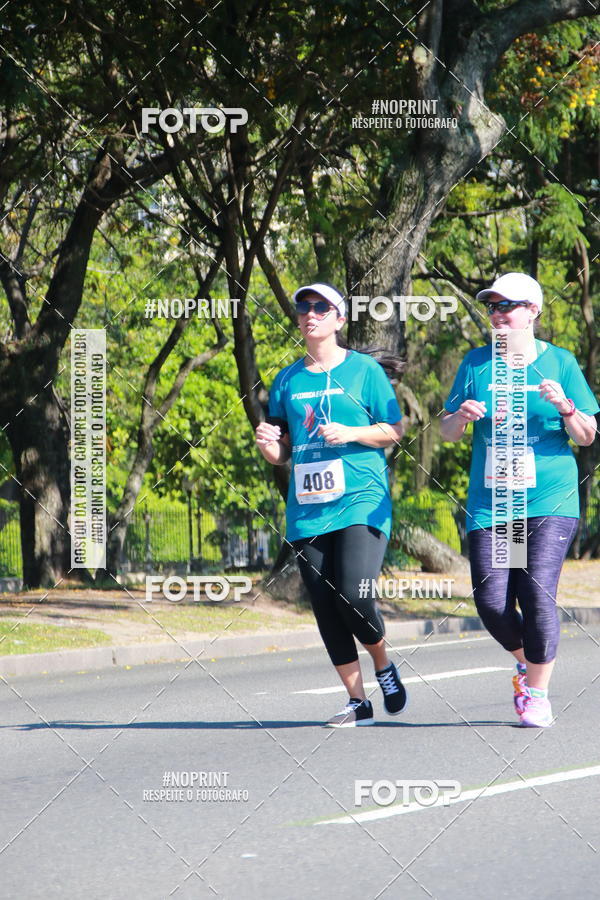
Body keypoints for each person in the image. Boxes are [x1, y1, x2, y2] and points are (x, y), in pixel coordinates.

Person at [441, 273, 598, 727]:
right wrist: (462, 417)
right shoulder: (475, 364)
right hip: (497, 504)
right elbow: (448, 431)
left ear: (533, 311)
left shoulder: (561, 363)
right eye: (491, 307)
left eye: (506, 306)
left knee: (536, 589)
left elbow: (587, 435)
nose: (497, 315)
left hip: (549, 497)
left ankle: (539, 694)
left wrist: (567, 408)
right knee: (492, 602)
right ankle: (526, 662)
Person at [255, 283, 407, 726]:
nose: (310, 313)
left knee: (355, 595)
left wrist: (352, 433)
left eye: (321, 307)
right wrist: (269, 447)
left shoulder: (364, 372)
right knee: (325, 606)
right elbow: (282, 451)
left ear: (340, 319)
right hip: (308, 508)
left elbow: (395, 429)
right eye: (304, 307)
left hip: (361, 500)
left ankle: (383, 664)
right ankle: (359, 703)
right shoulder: (286, 379)